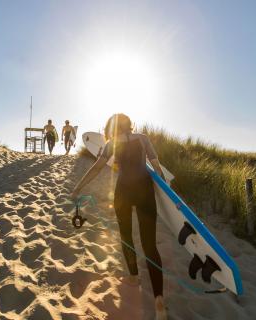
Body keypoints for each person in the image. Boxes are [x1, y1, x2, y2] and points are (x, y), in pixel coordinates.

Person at [70, 113, 167, 320]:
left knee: (126, 236)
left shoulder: (111, 143)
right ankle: (159, 300)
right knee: (150, 246)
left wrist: (78, 187)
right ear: (129, 125)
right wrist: (165, 186)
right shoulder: (142, 138)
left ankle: (133, 277)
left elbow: (97, 168)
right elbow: (156, 164)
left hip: (123, 192)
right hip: (145, 191)